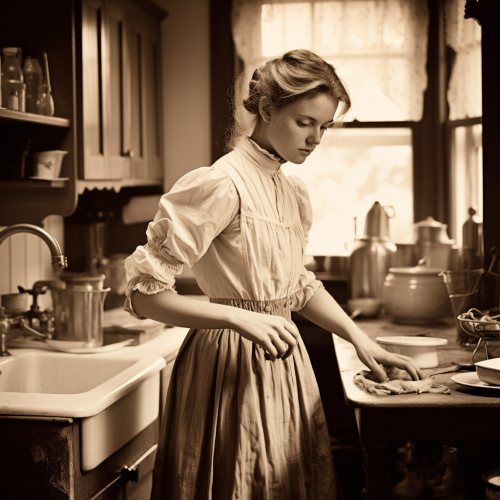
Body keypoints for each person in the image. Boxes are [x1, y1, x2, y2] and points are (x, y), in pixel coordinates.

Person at [124, 49, 423, 500]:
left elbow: (299, 287)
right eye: (305, 122)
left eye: (324, 126)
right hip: (226, 367)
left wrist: (362, 341)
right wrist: (236, 317)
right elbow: (144, 296)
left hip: (285, 364)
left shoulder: (290, 190)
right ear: (266, 110)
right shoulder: (219, 185)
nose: (316, 138)